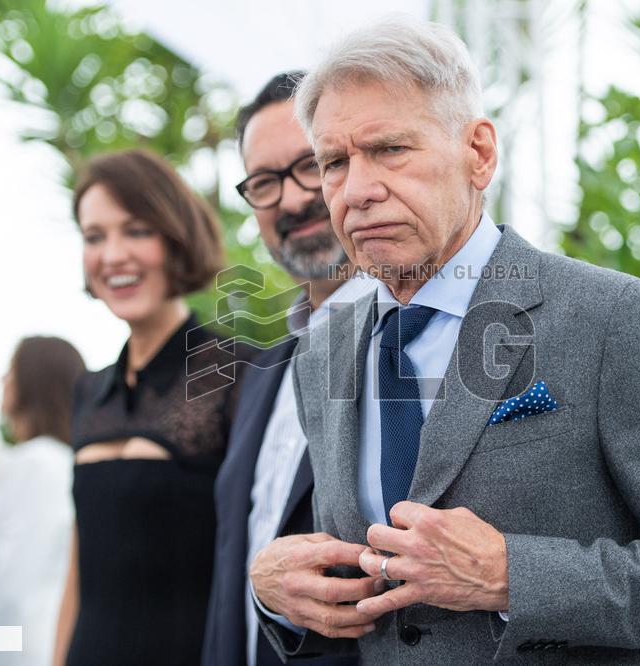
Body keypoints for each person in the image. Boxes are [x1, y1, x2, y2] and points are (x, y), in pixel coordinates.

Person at [250, 17, 640, 663]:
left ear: (478, 153)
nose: (356, 190)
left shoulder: (612, 316)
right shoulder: (322, 350)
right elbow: (363, 594)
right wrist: (277, 593)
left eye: (390, 149)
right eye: (334, 163)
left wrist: (509, 575)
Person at [202, 72, 371, 666]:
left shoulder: (422, 346)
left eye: (311, 165)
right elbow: (238, 569)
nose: (293, 200)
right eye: (265, 182)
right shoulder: (262, 373)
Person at [54, 148, 245, 665]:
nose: (113, 255)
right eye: (94, 237)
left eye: (136, 231)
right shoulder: (89, 390)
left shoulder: (238, 372)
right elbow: (79, 568)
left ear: (176, 237)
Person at [0, 336, 85, 666]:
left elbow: (14, 585)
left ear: (33, 380)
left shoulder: (37, 463)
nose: (3, 380)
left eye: (11, 370)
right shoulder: (63, 461)